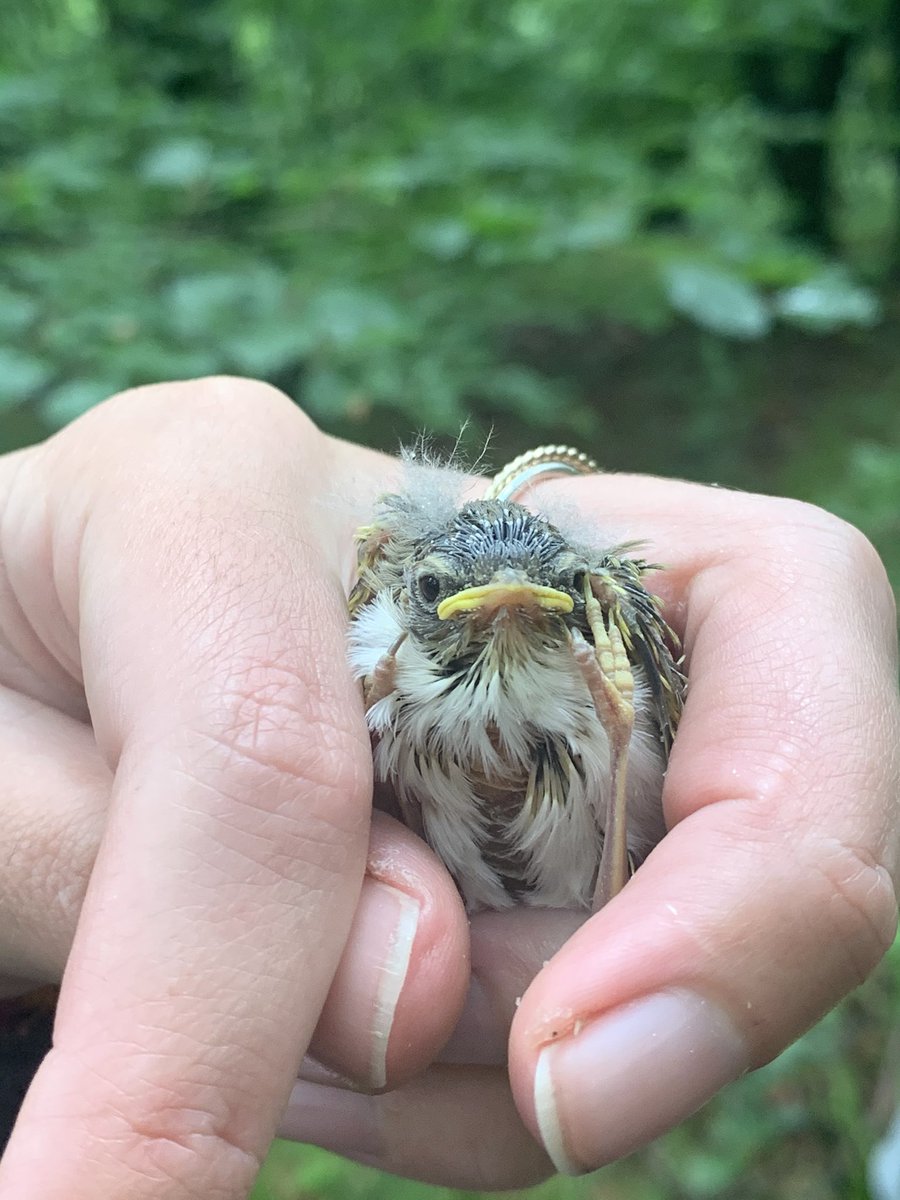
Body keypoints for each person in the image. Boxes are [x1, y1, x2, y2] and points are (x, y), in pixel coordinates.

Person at [0, 376, 896, 1197]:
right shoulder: (374, 674)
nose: (502, 604)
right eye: (440, 591)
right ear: (402, 604)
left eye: (550, 600)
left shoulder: (617, 691)